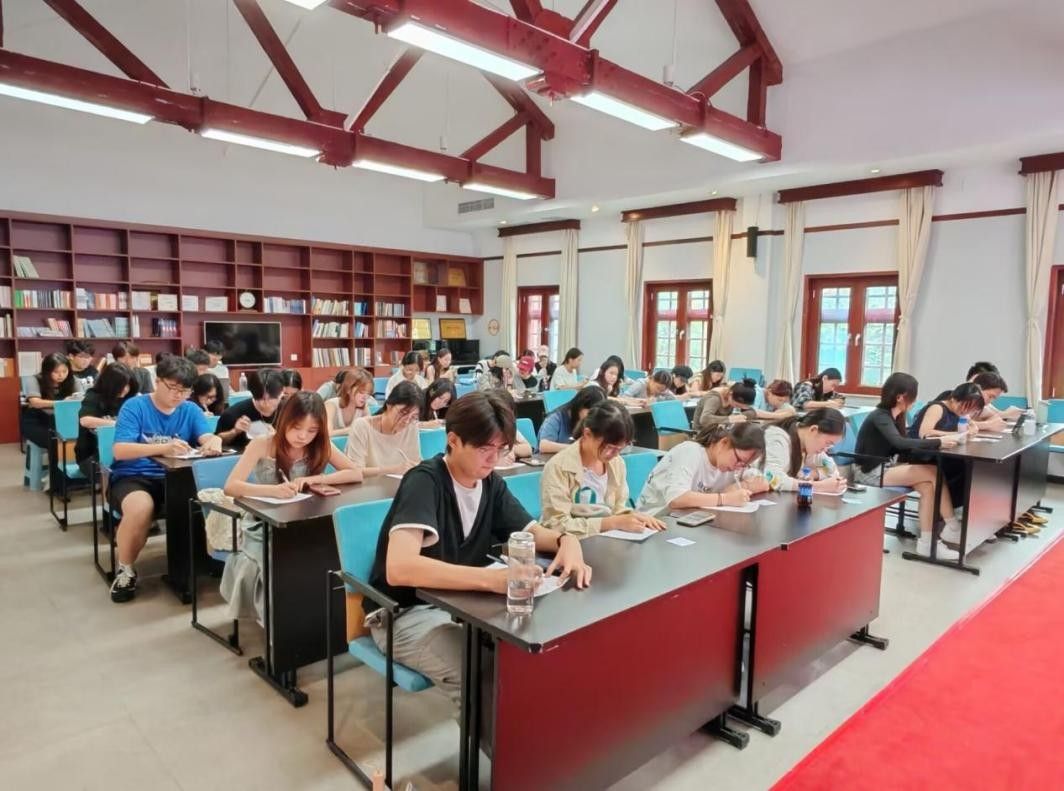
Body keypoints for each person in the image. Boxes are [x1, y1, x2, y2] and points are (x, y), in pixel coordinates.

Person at [366, 390, 591, 708]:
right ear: (453, 440)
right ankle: (494, 741)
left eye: (501, 449)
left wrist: (566, 540)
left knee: (528, 656)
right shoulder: (424, 482)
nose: (493, 459)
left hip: (461, 606)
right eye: (485, 448)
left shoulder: (489, 483)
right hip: (402, 614)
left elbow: (531, 531)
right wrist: (492, 580)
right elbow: (399, 569)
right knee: (477, 672)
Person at [222, 392, 363, 622]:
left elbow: (355, 473)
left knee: (333, 554)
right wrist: (272, 491)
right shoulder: (262, 444)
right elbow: (231, 486)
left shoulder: (319, 446)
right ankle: (282, 624)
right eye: (297, 427)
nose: (303, 436)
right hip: (265, 523)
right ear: (284, 420)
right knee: (283, 563)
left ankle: (323, 619)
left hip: (308, 520)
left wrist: (313, 479)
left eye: (312, 430)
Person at [108, 356, 222, 602]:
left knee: (212, 500)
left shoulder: (190, 409)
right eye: (173, 388)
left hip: (179, 477)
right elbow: (120, 450)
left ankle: (204, 563)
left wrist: (214, 441)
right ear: (157, 381)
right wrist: (163, 448)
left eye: (185, 391)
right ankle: (125, 569)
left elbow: (205, 437)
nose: (178, 396)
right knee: (140, 508)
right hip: (135, 476)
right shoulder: (134, 406)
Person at [854, 373, 962, 559]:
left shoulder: (896, 417)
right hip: (869, 471)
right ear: (901, 397)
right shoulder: (880, 416)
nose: (915, 401)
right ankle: (952, 527)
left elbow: (901, 446)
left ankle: (927, 543)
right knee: (934, 472)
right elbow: (900, 443)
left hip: (885, 467)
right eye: (913, 396)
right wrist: (938, 442)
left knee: (927, 486)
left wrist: (934, 443)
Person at [540, 401, 666, 536]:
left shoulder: (616, 463)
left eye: (620, 449)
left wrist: (635, 517)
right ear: (587, 434)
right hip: (572, 542)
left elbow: (618, 508)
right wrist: (612, 523)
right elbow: (556, 524)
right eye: (609, 447)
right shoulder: (558, 467)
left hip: (606, 539)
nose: (614, 454)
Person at [635, 423, 767, 515]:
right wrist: (726, 498)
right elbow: (677, 499)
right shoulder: (690, 452)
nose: (737, 468)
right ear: (724, 442)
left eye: (744, 465)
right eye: (738, 459)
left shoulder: (736, 464)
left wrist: (737, 487)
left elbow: (763, 483)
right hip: (655, 521)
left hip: (690, 519)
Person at [907, 383, 984, 506]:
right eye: (963, 406)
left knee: (970, 466)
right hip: (921, 454)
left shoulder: (960, 411)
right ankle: (947, 508)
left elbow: (971, 423)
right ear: (953, 398)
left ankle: (955, 507)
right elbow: (925, 433)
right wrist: (956, 434)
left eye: (970, 409)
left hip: (940, 453)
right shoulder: (937, 408)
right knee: (963, 468)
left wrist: (973, 427)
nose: (965, 411)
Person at [23, 353, 77, 490]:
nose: (61, 375)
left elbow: (82, 398)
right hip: (36, 422)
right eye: (56, 372)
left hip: (62, 421)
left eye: (64, 371)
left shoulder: (72, 380)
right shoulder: (34, 380)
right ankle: (57, 484)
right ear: (47, 371)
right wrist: (62, 403)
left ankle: (76, 480)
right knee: (56, 441)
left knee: (79, 439)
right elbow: (35, 402)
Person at [75, 362, 139, 479]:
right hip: (92, 456)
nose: (125, 389)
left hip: (123, 452)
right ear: (110, 384)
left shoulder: (130, 398)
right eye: (121, 385)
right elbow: (85, 420)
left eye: (128, 385)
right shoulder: (94, 396)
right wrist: (118, 423)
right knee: (117, 475)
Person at [763, 409, 849, 494]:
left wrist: (816, 473)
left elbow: (832, 470)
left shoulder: (810, 444)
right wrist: (819, 486)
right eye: (827, 443)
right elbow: (771, 478)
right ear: (813, 430)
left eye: (830, 446)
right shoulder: (777, 439)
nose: (826, 449)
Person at [345, 380, 421, 476]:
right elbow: (354, 472)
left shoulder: (412, 426)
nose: (406, 421)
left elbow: (415, 463)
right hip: (367, 484)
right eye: (403, 413)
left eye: (414, 417)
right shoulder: (362, 426)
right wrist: (393, 470)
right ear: (389, 405)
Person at [216, 369, 285, 451]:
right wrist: (234, 431)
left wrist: (276, 437)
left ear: (282, 392)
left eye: (271, 398)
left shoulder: (289, 411)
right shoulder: (232, 414)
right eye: (260, 399)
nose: (266, 403)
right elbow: (215, 442)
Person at [538, 386, 607, 454]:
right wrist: (577, 448)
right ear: (580, 406)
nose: (593, 418)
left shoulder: (592, 420)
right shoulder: (556, 417)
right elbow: (544, 446)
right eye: (590, 412)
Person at [325, 368, 379, 437]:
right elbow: (328, 433)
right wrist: (353, 429)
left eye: (368, 393)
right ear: (348, 389)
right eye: (361, 392)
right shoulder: (331, 405)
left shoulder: (364, 407)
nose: (365, 397)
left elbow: (369, 431)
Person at [693, 378, 758, 429]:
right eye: (736, 405)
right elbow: (705, 419)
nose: (737, 408)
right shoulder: (714, 398)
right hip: (702, 433)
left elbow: (752, 412)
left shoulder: (733, 397)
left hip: (718, 430)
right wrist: (729, 419)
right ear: (730, 394)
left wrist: (739, 417)